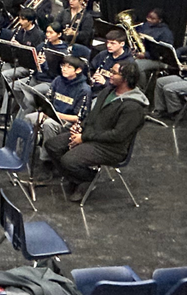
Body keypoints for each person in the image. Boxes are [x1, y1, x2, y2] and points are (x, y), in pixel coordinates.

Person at [44, 61, 147, 202]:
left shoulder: (133, 107)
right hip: (92, 136)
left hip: (111, 148)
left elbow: (117, 135)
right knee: (52, 145)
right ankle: (78, 179)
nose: (109, 75)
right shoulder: (107, 91)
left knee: (69, 160)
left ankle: (88, 179)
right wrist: (80, 126)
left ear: (126, 78)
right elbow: (93, 115)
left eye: (114, 73)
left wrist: (84, 137)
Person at [24, 56, 90, 170]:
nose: (64, 69)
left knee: (49, 124)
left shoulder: (84, 90)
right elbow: (48, 101)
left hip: (68, 121)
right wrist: (45, 112)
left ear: (78, 70)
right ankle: (27, 151)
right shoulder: (58, 80)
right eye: (63, 66)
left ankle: (47, 161)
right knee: (29, 118)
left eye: (69, 67)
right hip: (52, 114)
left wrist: (56, 115)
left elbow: (78, 118)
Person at [0, 8, 46, 101]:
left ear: (30, 21)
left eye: (23, 19)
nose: (20, 22)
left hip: (27, 66)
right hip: (14, 61)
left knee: (5, 74)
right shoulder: (20, 30)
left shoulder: (38, 35)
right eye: (20, 18)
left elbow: (35, 55)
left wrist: (20, 46)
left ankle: (7, 100)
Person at [90, 29, 134, 94]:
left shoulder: (129, 62)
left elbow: (125, 84)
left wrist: (105, 82)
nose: (108, 46)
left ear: (122, 44)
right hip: (95, 87)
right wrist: (91, 76)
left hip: (111, 92)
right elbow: (91, 68)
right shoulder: (103, 54)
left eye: (113, 43)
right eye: (107, 42)